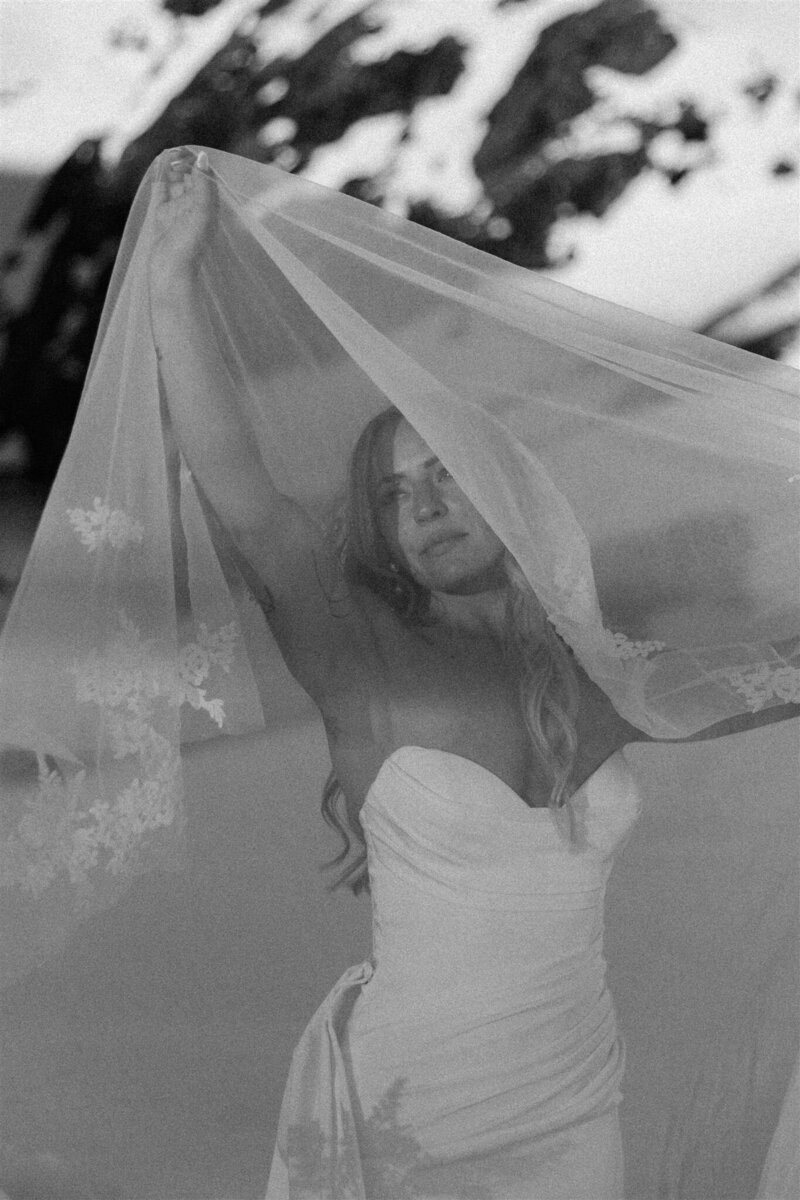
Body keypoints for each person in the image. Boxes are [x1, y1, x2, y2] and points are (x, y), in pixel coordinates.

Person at [0, 146, 797, 1198]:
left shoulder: (607, 680)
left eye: (441, 475)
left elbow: (774, 672)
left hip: (571, 1113)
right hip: (409, 1123)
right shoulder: (361, 657)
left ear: (503, 490)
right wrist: (177, 278)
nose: (420, 504)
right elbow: (238, 487)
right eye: (391, 495)